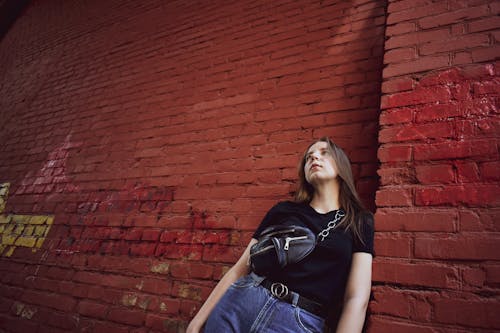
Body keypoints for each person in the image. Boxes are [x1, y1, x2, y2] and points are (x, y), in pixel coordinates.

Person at [187, 137, 374, 333]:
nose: (314, 158)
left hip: (297, 322)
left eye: (323, 153)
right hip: (241, 303)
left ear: (341, 165)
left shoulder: (359, 221)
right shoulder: (283, 211)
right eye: (309, 157)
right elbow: (240, 268)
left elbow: (356, 298)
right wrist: (197, 321)